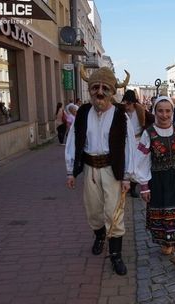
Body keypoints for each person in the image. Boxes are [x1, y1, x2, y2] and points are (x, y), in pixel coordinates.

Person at [65, 66, 133, 275]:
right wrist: (70, 170)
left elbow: (129, 146)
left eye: (105, 88)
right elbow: (72, 140)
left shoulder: (121, 116)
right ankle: (100, 236)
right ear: (90, 90)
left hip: (112, 170)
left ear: (113, 92)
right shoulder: (83, 112)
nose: (100, 92)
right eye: (95, 87)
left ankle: (116, 255)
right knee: (93, 209)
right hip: (90, 168)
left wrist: (128, 176)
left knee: (114, 212)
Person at [135, 96, 175, 279]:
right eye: (160, 111)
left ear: (172, 112)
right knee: (163, 215)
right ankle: (166, 241)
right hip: (159, 181)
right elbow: (141, 161)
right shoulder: (149, 133)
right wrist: (144, 186)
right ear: (155, 112)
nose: (164, 115)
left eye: (168, 111)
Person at [122, 89, 155, 197]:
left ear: (133, 102)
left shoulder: (140, 110)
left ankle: (133, 187)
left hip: (137, 140)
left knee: (136, 163)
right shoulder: (122, 112)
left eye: (129, 103)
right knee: (126, 162)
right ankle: (125, 183)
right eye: (125, 103)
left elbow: (153, 119)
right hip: (126, 141)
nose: (127, 106)